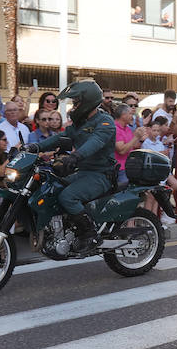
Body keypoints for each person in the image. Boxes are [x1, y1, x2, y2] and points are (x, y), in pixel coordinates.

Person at [34, 80, 116, 250]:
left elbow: (96, 141)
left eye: (76, 102)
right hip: (83, 172)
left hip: (101, 175)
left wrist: (76, 156)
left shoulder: (105, 121)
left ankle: (90, 234)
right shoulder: (80, 124)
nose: (74, 106)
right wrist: (35, 147)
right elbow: (60, 138)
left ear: (87, 101)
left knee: (68, 197)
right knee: (53, 189)